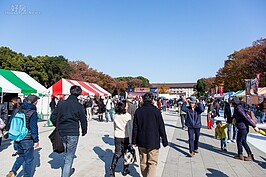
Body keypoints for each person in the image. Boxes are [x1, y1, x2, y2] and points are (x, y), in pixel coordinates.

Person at [51, 85, 88, 177]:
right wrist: (84, 130)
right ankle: (66, 173)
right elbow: (83, 119)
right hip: (73, 132)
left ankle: (67, 170)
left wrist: (58, 125)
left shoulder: (61, 103)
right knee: (69, 157)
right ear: (79, 94)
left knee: (66, 154)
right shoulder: (79, 105)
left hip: (62, 132)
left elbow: (53, 117)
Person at [132, 92, 168, 177]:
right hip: (153, 140)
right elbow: (161, 127)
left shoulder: (138, 111)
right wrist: (164, 140)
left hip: (141, 141)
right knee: (152, 163)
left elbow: (135, 128)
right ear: (152, 100)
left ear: (143, 100)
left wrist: (134, 141)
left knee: (143, 162)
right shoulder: (156, 111)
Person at [6, 95, 40, 177]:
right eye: (36, 100)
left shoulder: (17, 110)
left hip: (17, 137)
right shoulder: (32, 112)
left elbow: (9, 123)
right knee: (29, 159)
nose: (37, 102)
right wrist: (36, 140)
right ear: (34, 102)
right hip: (27, 138)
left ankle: (13, 171)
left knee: (21, 156)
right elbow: (33, 127)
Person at [110, 100, 132, 177]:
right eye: (126, 105)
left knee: (117, 153)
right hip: (125, 136)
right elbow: (130, 127)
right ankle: (125, 170)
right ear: (124, 107)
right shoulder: (128, 116)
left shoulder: (115, 115)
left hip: (117, 136)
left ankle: (112, 170)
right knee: (127, 153)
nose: (127, 106)